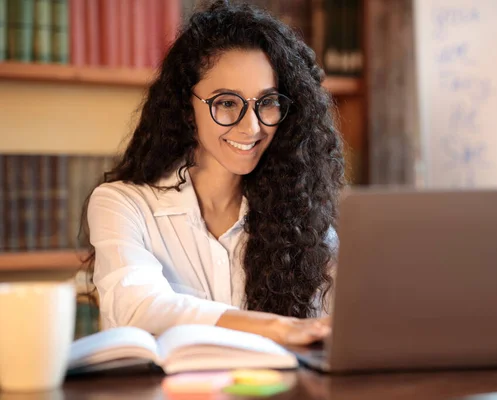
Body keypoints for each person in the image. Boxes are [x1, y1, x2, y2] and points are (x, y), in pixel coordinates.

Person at [82, 0, 345, 346]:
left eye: (267, 102)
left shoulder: (303, 219)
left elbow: (337, 326)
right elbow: (140, 305)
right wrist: (279, 327)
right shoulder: (122, 204)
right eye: (226, 103)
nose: (252, 127)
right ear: (186, 108)